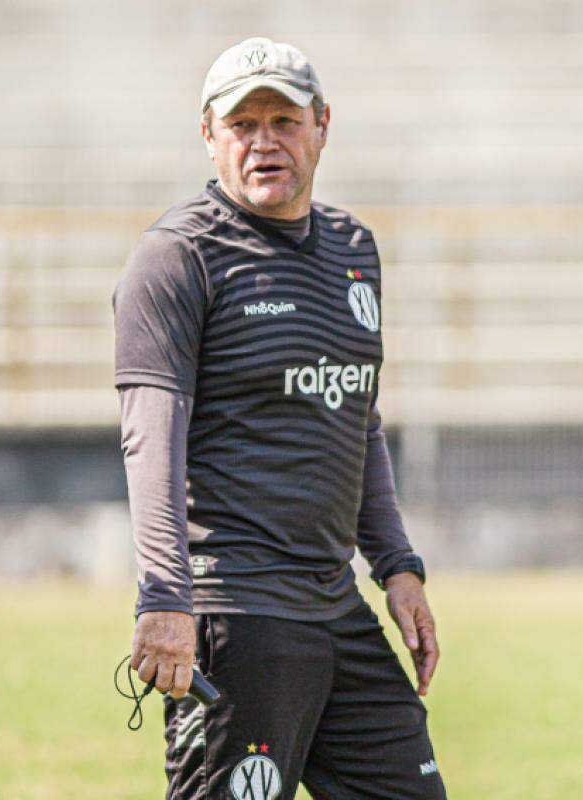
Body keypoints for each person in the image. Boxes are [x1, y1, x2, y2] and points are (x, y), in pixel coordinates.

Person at [114, 36, 447, 800]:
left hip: (338, 607)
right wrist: (166, 599)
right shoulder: (177, 257)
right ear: (210, 135)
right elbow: (150, 442)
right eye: (242, 125)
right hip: (237, 615)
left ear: (323, 125)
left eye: (284, 122)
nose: (264, 142)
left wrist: (396, 567)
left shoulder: (354, 249)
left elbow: (357, 417)